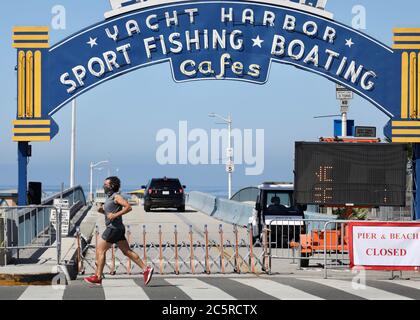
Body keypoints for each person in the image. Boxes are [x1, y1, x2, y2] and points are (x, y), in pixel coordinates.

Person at [84, 176, 154, 286]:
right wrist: (102, 211)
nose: (104, 186)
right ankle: (146, 269)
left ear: (112, 186)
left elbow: (128, 207)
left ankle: (98, 277)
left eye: (106, 185)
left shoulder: (116, 197)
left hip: (113, 228)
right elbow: (110, 214)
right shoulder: (109, 197)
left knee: (100, 250)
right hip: (118, 228)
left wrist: (115, 215)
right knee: (126, 251)